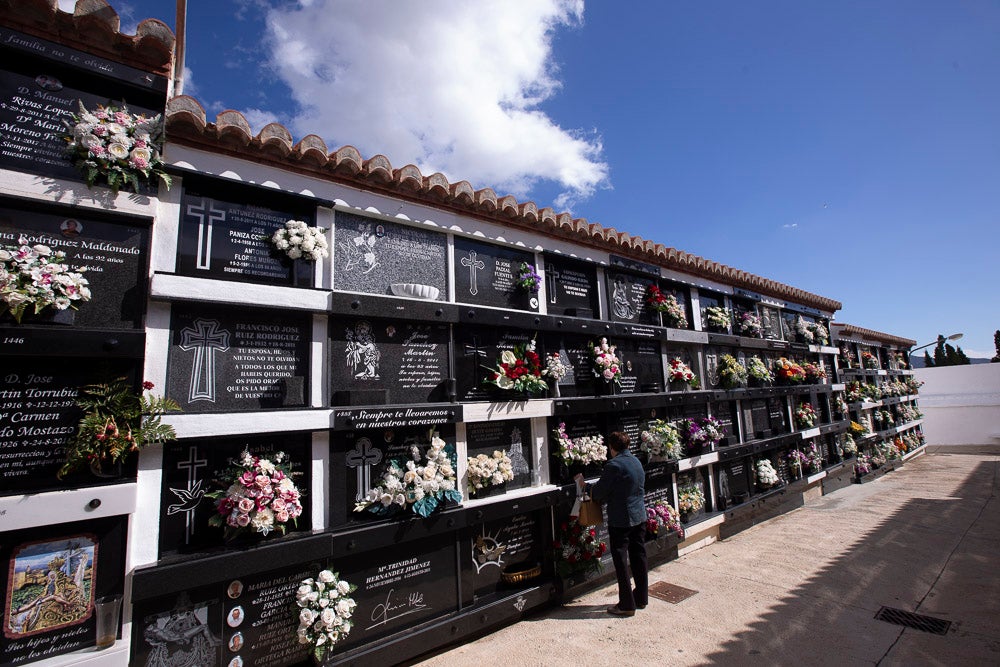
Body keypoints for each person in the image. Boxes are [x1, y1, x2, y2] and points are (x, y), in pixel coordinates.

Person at [576, 431, 648, 617]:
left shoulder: (614, 465)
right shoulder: (636, 461)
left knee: (621, 560)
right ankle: (640, 597)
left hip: (621, 520)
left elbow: (599, 492)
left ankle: (626, 604)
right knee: (639, 555)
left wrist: (585, 486)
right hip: (639, 516)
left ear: (611, 447)